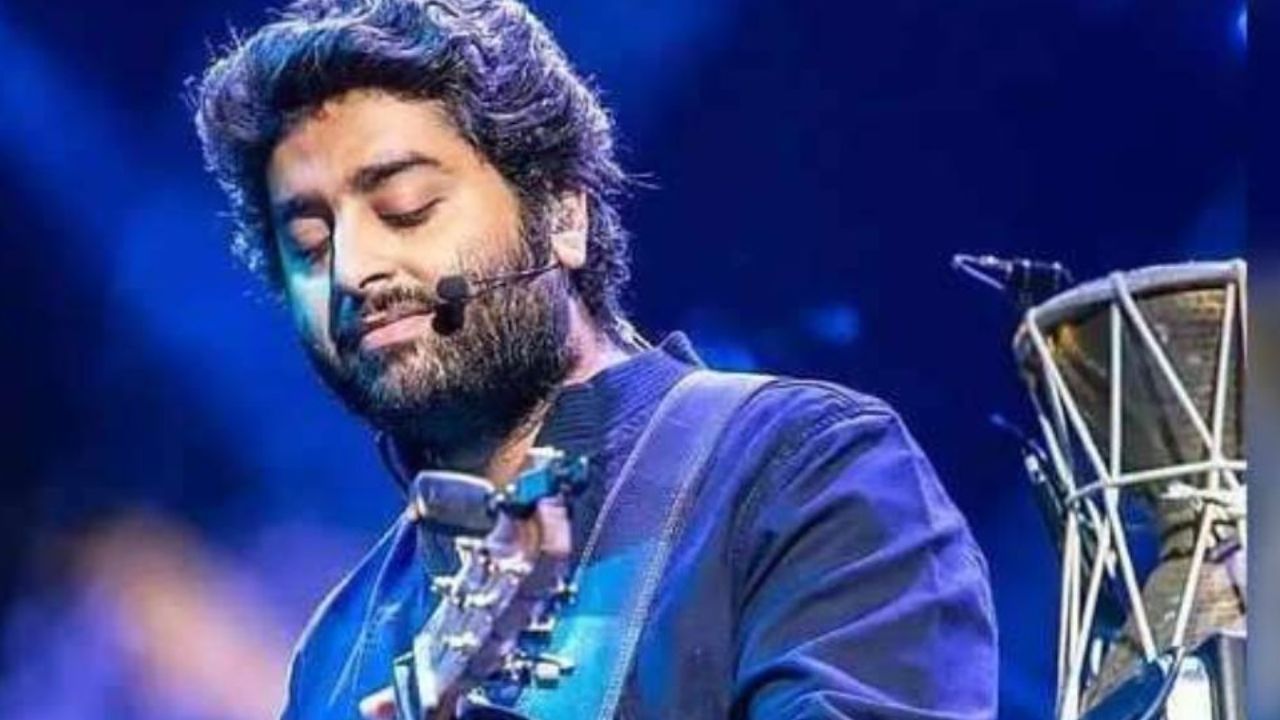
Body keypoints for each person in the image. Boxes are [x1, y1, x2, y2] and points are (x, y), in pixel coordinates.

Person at [192, 1, 998, 718]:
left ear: (561, 213)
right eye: (311, 244)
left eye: (407, 207)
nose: (353, 270)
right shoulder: (337, 649)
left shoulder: (800, 467)